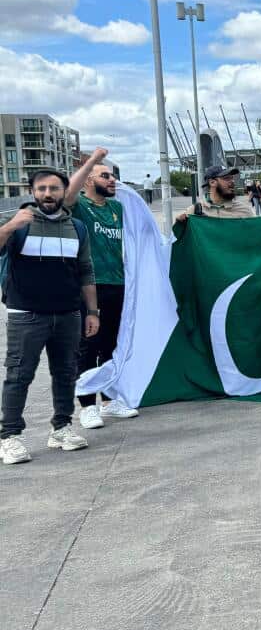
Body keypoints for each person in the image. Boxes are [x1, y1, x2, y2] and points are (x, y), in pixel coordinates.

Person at [1, 169, 98, 464]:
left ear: (64, 192)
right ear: (32, 192)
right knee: (19, 375)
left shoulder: (77, 227)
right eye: (41, 188)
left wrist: (92, 311)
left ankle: (61, 428)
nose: (47, 194)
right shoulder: (19, 223)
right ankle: (9, 436)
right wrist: (9, 227)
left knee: (66, 372)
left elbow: (86, 271)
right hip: (27, 314)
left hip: (68, 312)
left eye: (54, 188)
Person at [63, 148, 140, 428]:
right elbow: (67, 195)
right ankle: (86, 405)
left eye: (113, 176)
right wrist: (92, 161)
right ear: (87, 180)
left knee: (111, 345)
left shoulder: (117, 208)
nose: (112, 180)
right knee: (87, 345)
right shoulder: (80, 206)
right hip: (88, 287)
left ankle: (108, 401)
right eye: (104, 176)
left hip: (117, 284)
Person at [176, 165, 261, 222]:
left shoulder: (244, 211)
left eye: (232, 178)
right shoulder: (195, 211)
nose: (232, 182)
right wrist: (180, 223)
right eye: (227, 178)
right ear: (212, 182)